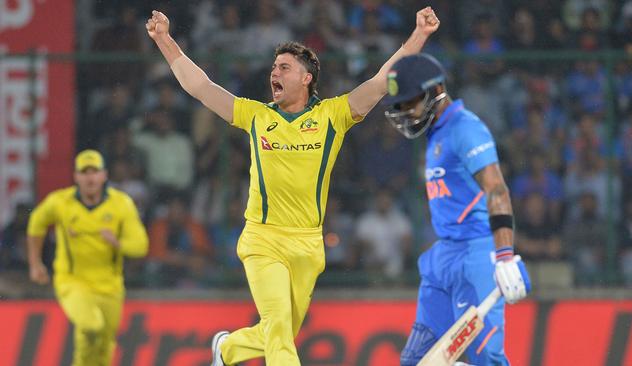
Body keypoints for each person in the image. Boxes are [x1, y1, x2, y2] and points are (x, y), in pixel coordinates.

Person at [146, 7, 440, 366]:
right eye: (273, 67)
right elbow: (201, 87)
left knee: (278, 331)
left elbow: (382, 80)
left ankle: (226, 350)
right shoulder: (257, 116)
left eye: (284, 67)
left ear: (306, 79)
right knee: (281, 334)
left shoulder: (331, 116)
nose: (274, 72)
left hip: (308, 244)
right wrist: (165, 39)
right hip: (262, 239)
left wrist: (419, 35)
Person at [383, 54, 531, 365]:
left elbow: (497, 189)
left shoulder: (465, 128)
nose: (405, 111)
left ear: (435, 89)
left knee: (484, 359)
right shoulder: (437, 133)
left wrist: (504, 255)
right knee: (417, 360)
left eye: (410, 101)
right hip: (444, 257)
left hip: (475, 256)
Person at [26, 150, 148, 366]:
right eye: (84, 172)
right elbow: (36, 223)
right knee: (90, 326)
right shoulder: (60, 202)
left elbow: (140, 246)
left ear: (104, 175)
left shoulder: (121, 204)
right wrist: (35, 264)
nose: (90, 178)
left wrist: (117, 243)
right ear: (75, 177)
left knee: (105, 345)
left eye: (95, 172)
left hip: (110, 286)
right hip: (73, 281)